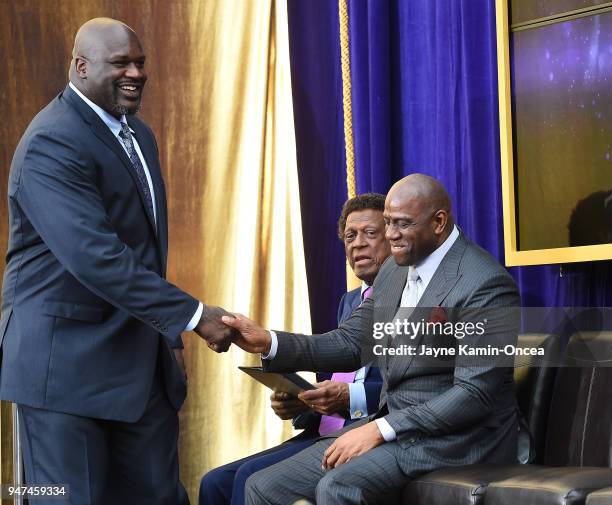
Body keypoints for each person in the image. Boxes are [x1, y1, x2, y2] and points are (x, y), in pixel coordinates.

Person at [0, 18, 232, 505]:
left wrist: (163, 335)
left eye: (140, 63)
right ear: (80, 68)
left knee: (161, 496)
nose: (136, 73)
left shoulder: (139, 136)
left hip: (136, 365)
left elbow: (143, 252)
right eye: (120, 63)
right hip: (63, 373)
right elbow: (96, 257)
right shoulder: (50, 141)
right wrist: (192, 317)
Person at [224, 174, 521, 505]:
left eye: (402, 224)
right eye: (388, 222)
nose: (390, 235)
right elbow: (351, 343)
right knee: (264, 486)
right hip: (399, 428)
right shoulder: (396, 269)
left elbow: (474, 394)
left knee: (338, 487)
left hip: (459, 439)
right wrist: (267, 342)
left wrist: (381, 429)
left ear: (439, 222)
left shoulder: (485, 284)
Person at [199, 193, 390, 505]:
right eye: (350, 235)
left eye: (370, 233)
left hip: (363, 431)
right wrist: (304, 400)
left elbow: (413, 391)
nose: (358, 244)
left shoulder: (410, 298)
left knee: (250, 479)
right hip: (323, 429)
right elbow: (340, 368)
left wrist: (346, 397)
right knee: (214, 483)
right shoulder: (350, 301)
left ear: (394, 238)